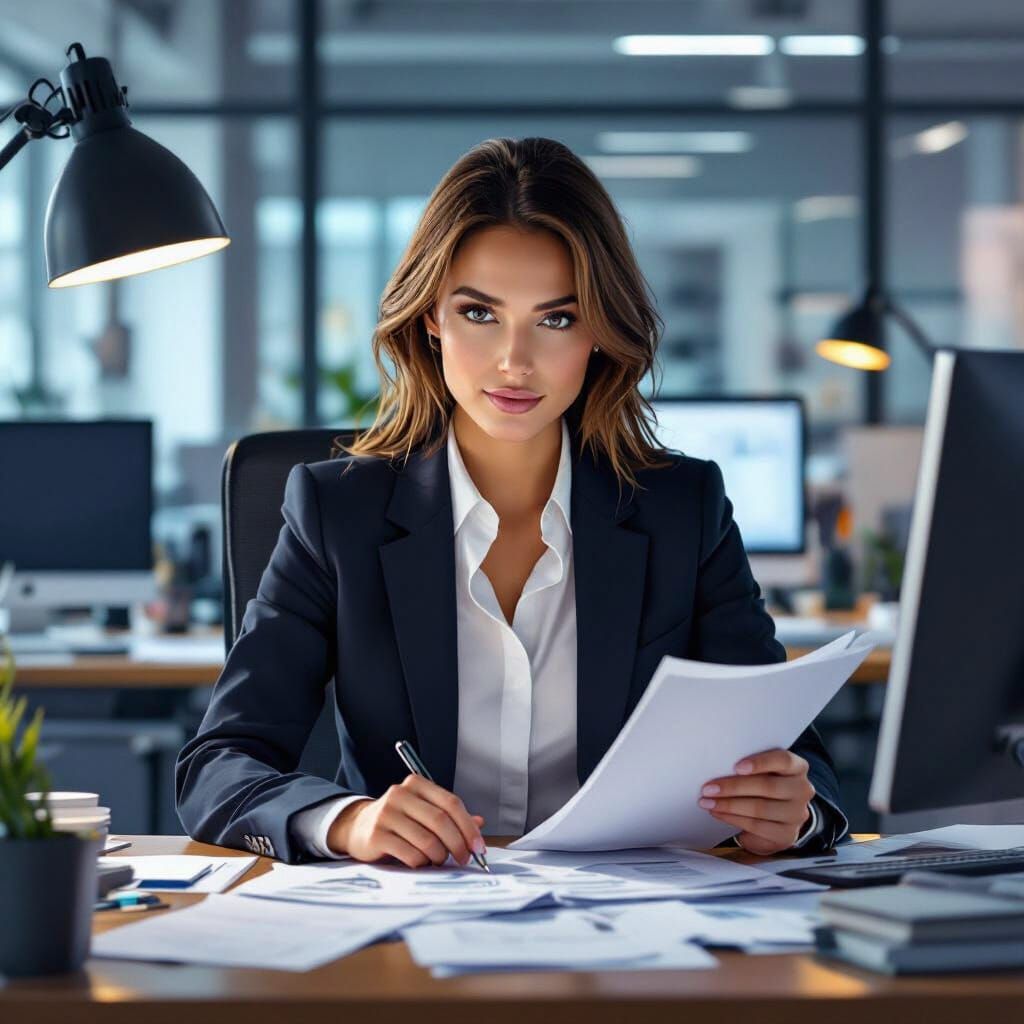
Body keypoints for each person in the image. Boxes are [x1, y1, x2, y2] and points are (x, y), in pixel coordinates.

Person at [175, 137, 848, 868]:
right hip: (413, 912)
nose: (514, 362)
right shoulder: (338, 514)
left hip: (634, 912)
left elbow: (799, 761)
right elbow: (218, 765)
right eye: (479, 313)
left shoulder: (683, 509)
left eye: (556, 319)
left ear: (600, 332)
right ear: (430, 317)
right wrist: (349, 822)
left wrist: (795, 812)